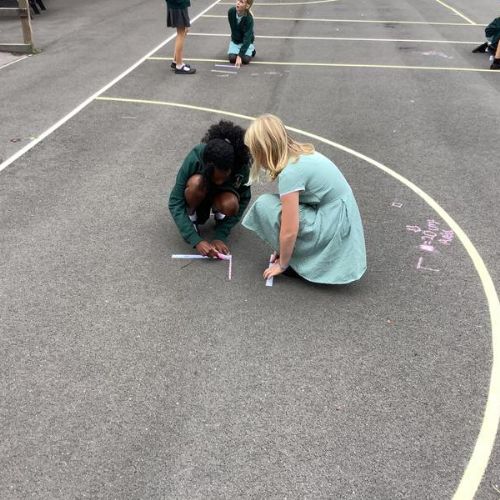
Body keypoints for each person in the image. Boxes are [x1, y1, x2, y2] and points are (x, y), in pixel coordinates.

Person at [242, 114, 367, 284]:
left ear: (264, 151)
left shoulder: (290, 173)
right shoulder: (299, 154)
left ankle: (296, 261)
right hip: (338, 214)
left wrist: (283, 264)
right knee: (277, 206)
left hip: (333, 223)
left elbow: (290, 229)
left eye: (255, 153)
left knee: (265, 205)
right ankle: (295, 253)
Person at [169, 121, 252, 257]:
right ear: (207, 166)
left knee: (231, 204)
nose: (219, 182)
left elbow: (244, 198)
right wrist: (195, 240)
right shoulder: (196, 156)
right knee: (196, 183)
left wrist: (221, 234)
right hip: (201, 191)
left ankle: (219, 211)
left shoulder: (240, 166)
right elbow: (175, 201)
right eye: (216, 178)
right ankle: (192, 215)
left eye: (224, 178)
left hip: (222, 195)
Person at [165, 0, 196, 74]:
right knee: (181, 32)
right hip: (178, 4)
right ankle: (179, 65)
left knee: (183, 31)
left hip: (178, 4)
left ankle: (176, 61)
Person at [227, 0, 256, 68]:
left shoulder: (249, 18)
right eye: (238, 0)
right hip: (236, 41)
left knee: (245, 60)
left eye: (241, 2)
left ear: (247, 6)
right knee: (232, 58)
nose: (238, 3)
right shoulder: (231, 12)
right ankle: (240, 51)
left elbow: (247, 38)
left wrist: (240, 56)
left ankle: (252, 50)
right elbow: (234, 30)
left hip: (246, 42)